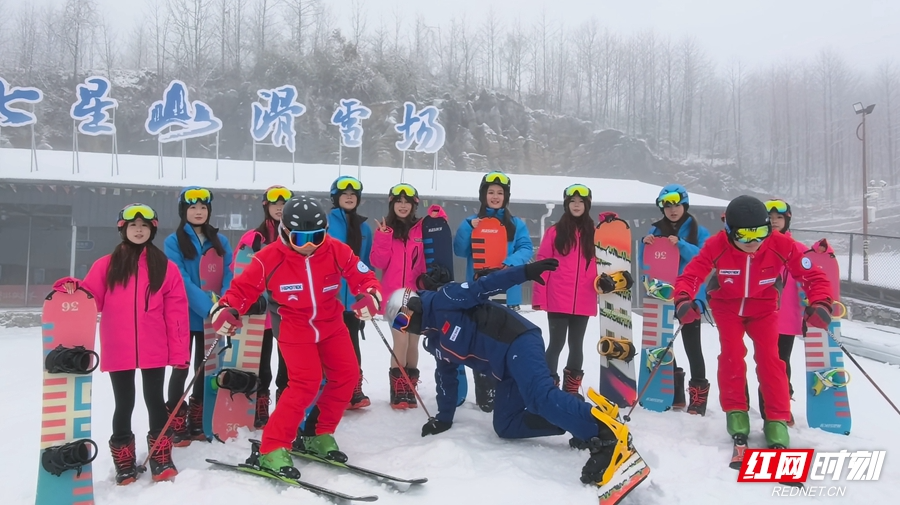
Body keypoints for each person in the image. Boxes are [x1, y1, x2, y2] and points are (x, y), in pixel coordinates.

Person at [385, 261, 635, 487]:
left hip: (518, 341)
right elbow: (446, 377)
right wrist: (444, 417)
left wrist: (525, 272)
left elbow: (485, 285)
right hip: (504, 369)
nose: (404, 329)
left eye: (402, 322)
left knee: (539, 397)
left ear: (414, 307)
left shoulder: (446, 299)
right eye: (398, 326)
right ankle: (575, 414)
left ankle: (605, 435)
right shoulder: (434, 341)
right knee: (506, 425)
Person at [209, 196, 382, 478]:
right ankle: (271, 448)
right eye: (301, 238)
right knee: (306, 384)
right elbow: (240, 291)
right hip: (293, 327)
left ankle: (317, 432)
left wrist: (370, 294)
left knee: (348, 376)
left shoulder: (336, 250)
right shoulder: (268, 259)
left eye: (318, 236)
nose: (311, 244)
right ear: (285, 232)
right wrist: (226, 310)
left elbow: (364, 277)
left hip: (331, 324)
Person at [672, 195, 833, 450]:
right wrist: (683, 299)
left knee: (771, 360)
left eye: (759, 233)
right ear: (729, 231)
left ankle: (776, 419)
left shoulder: (780, 244)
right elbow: (692, 274)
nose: (753, 242)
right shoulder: (717, 245)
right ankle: (736, 412)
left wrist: (821, 302)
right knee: (732, 356)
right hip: (727, 307)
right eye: (744, 236)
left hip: (764, 308)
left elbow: (812, 275)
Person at [55, 204, 190, 484]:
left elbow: (176, 315)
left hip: (155, 347)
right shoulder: (106, 265)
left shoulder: (166, 267)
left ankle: (160, 455)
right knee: (124, 403)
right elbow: (91, 299)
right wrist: (72, 288)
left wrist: (179, 353)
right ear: (123, 229)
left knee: (155, 401)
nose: (138, 230)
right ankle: (124, 459)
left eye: (144, 226)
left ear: (152, 230)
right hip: (119, 346)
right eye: (132, 226)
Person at [453, 171, 534, 412]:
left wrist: (508, 264)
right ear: (483, 195)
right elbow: (459, 249)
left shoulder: (516, 224)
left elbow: (526, 248)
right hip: (478, 293)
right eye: (491, 192)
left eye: (500, 193)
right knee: (482, 343)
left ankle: (507, 389)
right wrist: (469, 227)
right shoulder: (471, 221)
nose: (495, 197)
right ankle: (486, 391)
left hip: (508, 292)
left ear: (506, 197)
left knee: (508, 342)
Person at [163, 186, 233, 444]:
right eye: (193, 207)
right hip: (186, 315)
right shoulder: (173, 241)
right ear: (184, 211)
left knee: (207, 369)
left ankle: (199, 417)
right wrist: (209, 307)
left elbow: (229, 273)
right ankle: (175, 420)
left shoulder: (220, 241)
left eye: (203, 207)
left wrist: (224, 303)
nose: (199, 212)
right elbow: (179, 279)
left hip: (214, 317)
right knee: (181, 367)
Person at [640, 184, 711, 414]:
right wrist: (647, 245)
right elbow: (646, 263)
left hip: (689, 296)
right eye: (667, 205)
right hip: (662, 295)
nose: (672, 210)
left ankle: (698, 395)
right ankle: (676, 392)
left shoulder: (698, 231)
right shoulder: (655, 230)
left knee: (693, 346)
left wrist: (679, 244)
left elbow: (705, 259)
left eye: (677, 205)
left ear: (685, 205)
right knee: (663, 344)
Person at [232, 185, 293, 427]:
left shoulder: (297, 237)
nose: (279, 208)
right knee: (262, 364)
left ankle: (285, 406)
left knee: (288, 365)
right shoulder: (253, 238)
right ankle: (259, 406)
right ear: (266, 206)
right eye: (274, 204)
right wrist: (249, 298)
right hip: (262, 315)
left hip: (289, 312)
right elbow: (237, 271)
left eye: (284, 204)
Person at [531, 184, 597, 396]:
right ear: (566, 204)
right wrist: (540, 296)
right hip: (558, 297)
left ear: (587, 205)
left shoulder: (595, 233)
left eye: (581, 202)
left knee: (576, 345)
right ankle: (549, 388)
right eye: (572, 201)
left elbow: (607, 260)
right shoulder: (555, 232)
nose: (576, 205)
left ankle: (571, 390)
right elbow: (543, 264)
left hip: (584, 297)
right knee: (556, 344)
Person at [371, 182, 428, 409]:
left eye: (407, 202)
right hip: (396, 298)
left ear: (414, 205)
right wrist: (384, 237)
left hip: (417, 296)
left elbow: (425, 262)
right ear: (392, 203)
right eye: (398, 201)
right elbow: (378, 262)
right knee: (401, 340)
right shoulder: (386, 231)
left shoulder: (421, 231)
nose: (402, 205)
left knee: (413, 342)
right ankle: (398, 389)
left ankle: (409, 388)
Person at [327, 176, 374, 409]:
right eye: (344, 194)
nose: (349, 197)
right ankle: (331, 389)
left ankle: (354, 389)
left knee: (352, 343)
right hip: (330, 298)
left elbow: (366, 264)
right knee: (330, 346)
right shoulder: (325, 223)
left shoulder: (364, 228)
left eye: (353, 195)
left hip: (353, 299)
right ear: (335, 198)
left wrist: (366, 292)